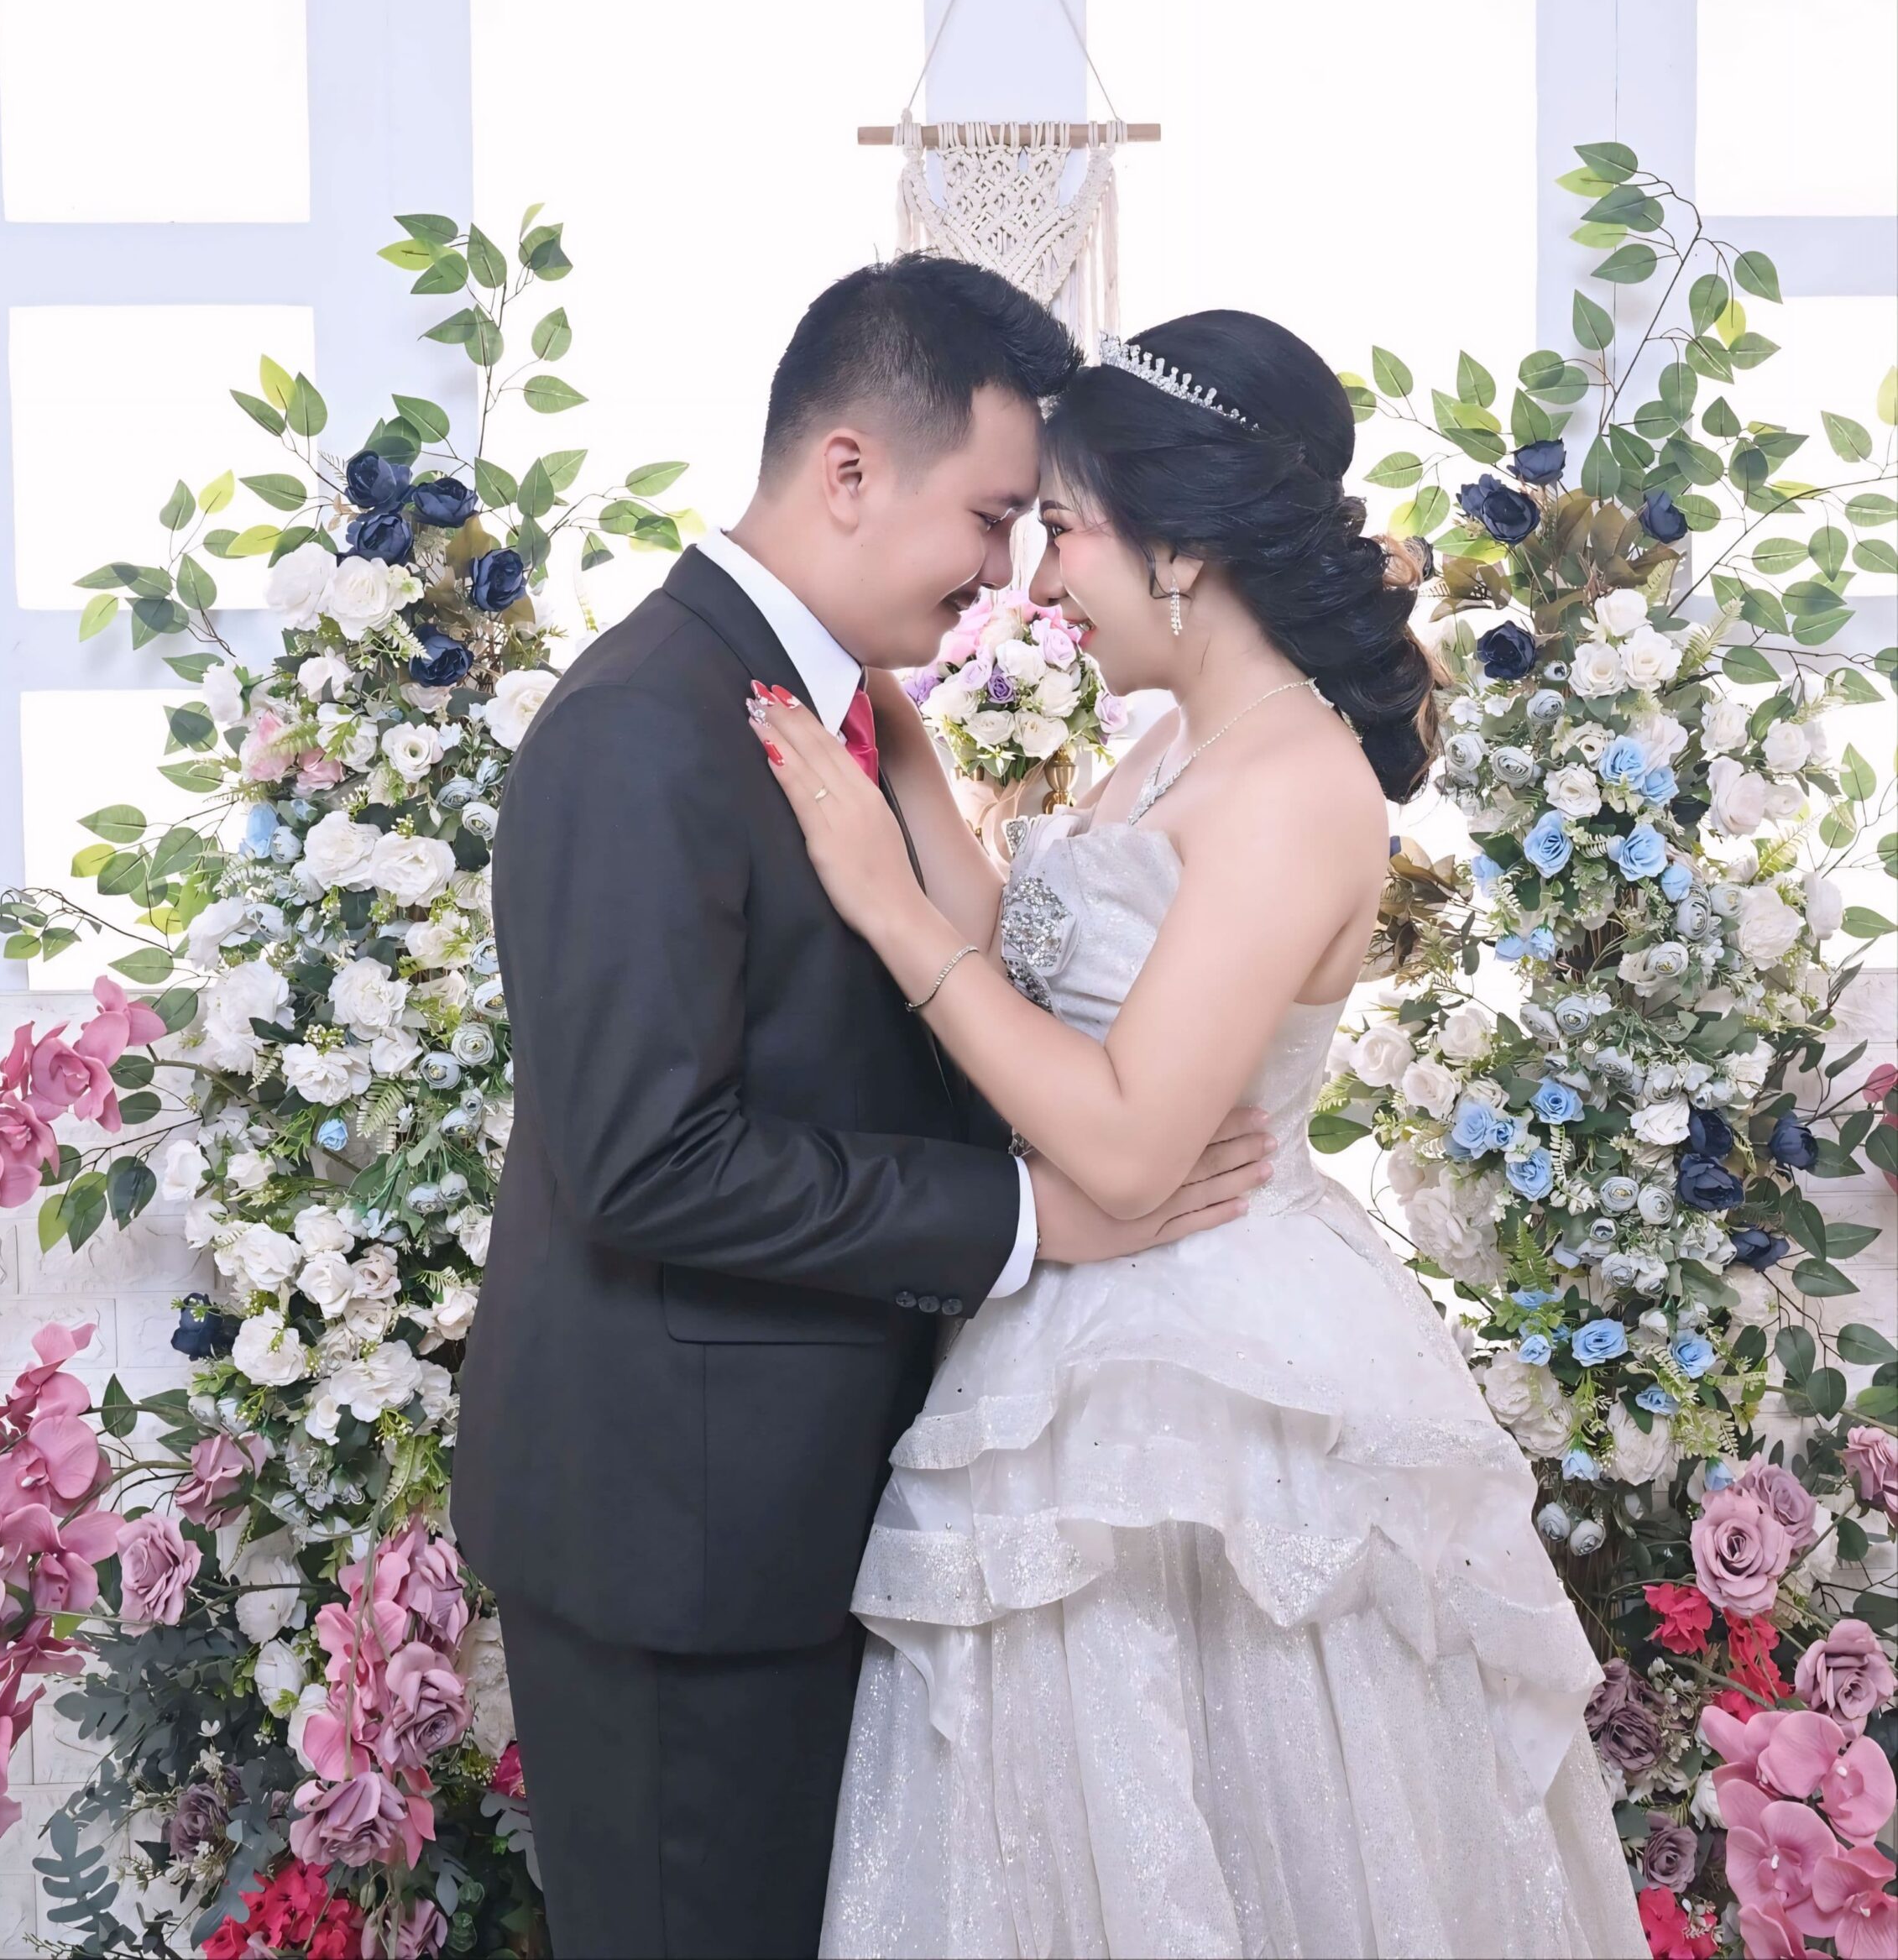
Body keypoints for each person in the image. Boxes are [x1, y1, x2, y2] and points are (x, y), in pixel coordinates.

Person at [753, 311, 1648, 1959]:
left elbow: (1120, 1145)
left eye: (1064, 530)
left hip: (1221, 1373)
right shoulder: (1176, 741)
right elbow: (1033, 968)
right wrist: (875, 704)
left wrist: (887, 908)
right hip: (1070, 1337)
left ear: (1178, 543)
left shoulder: (1299, 782)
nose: (1037, 582)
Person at [451, 257, 1278, 1960]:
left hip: (809, 1505)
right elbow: (646, 1161)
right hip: (682, 1543)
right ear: (847, 469)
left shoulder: (837, 714)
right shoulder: (642, 726)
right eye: (989, 516)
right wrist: (1045, 1217)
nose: (1004, 573)